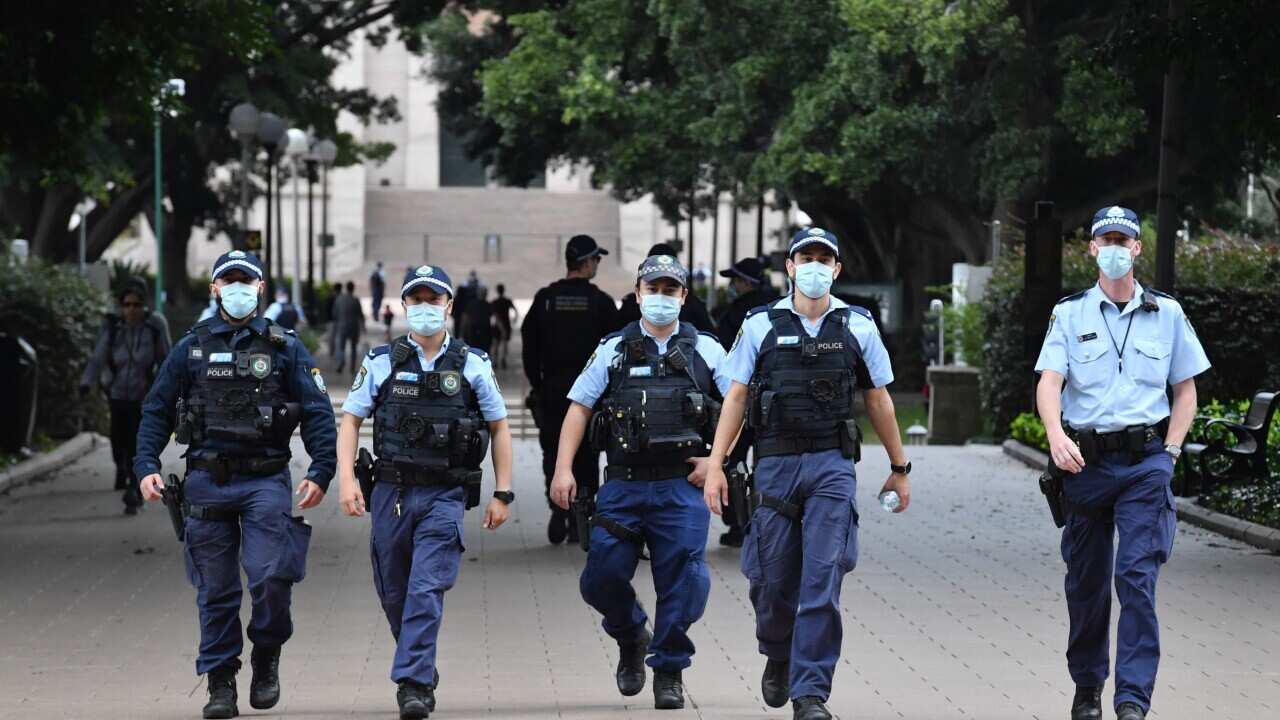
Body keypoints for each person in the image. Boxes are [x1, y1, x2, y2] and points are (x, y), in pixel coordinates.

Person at [702, 228, 912, 720]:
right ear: (791, 267)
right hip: (774, 464)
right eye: (806, 257)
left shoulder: (857, 325)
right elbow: (734, 397)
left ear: (836, 269)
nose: (815, 266)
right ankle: (778, 651)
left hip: (832, 464)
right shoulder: (760, 324)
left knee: (822, 577)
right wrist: (715, 465)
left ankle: (810, 691)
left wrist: (899, 468)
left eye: (825, 258)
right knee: (770, 579)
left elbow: (878, 397)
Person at [134, 250, 336, 719]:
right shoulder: (191, 348)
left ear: (261, 288)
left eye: (247, 280)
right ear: (215, 288)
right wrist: (145, 464)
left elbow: (319, 412)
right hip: (206, 481)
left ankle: (266, 653)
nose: (239, 287)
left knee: (270, 577)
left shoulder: (284, 346)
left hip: (265, 480)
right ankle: (220, 682)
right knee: (216, 591)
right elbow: (156, 410)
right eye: (230, 280)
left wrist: (322, 470)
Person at [1034, 206, 1211, 720]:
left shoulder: (1167, 313)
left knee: (1137, 579)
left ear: (1137, 248)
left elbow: (1186, 391)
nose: (1114, 248)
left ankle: (1132, 700)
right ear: (1091, 248)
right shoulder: (1069, 313)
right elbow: (1049, 381)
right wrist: (1053, 434)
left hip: (1145, 464)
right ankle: (1088, 685)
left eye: (1123, 240)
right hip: (1084, 466)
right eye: (1104, 239)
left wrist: (1172, 452)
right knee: (1086, 585)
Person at [550, 254, 730, 710]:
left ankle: (668, 667)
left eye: (671, 291)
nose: (661, 298)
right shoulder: (613, 347)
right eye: (654, 290)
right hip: (624, 485)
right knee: (599, 579)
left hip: (681, 486)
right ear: (637, 294)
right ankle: (632, 634)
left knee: (685, 581)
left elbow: (737, 406)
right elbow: (579, 408)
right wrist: (563, 467)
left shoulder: (706, 349)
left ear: (684, 297)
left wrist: (717, 460)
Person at [337, 264, 514, 720]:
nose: (425, 309)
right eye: (416, 300)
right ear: (403, 306)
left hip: (444, 495)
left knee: (425, 589)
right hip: (390, 492)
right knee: (394, 591)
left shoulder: (472, 362)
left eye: (434, 300)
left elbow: (498, 426)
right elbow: (351, 420)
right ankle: (420, 664)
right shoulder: (381, 360)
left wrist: (504, 492)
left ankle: (413, 684)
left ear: (449, 306)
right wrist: (346, 479)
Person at [522, 234, 620, 544]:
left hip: (553, 391)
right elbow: (615, 350)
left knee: (553, 450)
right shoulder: (601, 303)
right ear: (588, 262)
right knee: (588, 454)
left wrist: (539, 385)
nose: (598, 266)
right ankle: (581, 513)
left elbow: (529, 348)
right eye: (597, 260)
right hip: (591, 394)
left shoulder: (545, 299)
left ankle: (558, 509)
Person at [79, 277, 171, 515]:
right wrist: (87, 382)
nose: (131, 310)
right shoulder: (113, 325)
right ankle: (121, 467)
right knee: (117, 438)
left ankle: (133, 487)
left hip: (143, 394)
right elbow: (99, 356)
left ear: (144, 305)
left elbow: (166, 360)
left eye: (136, 305)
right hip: (117, 391)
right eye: (127, 305)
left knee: (134, 440)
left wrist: (168, 389)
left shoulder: (154, 325)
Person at [711, 257, 779, 546]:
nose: (732, 287)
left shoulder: (735, 312)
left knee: (733, 462)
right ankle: (768, 523)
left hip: (739, 399)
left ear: (745, 283)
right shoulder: (779, 309)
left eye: (735, 280)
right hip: (772, 401)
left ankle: (738, 524)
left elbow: (721, 355)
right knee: (768, 463)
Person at [618, 244, 716, 333]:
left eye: (669, 290)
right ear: (638, 294)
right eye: (652, 289)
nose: (660, 296)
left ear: (683, 296)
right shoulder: (694, 304)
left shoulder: (694, 306)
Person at [333, 281, 364, 374]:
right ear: (353, 288)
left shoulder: (339, 299)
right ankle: (352, 368)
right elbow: (360, 315)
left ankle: (341, 362)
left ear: (346, 288)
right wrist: (363, 327)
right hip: (354, 327)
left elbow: (334, 313)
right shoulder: (355, 300)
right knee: (353, 348)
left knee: (341, 347)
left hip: (342, 326)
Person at [489, 283, 517, 369]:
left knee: (496, 344)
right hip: (506, 324)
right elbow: (515, 310)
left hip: (497, 326)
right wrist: (514, 319)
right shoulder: (507, 301)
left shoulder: (494, 302)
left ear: (497, 291)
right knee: (505, 343)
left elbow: (492, 315)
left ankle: (495, 361)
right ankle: (503, 359)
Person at [462, 284, 493, 352]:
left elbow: (465, 319)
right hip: (484, 332)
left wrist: (463, 332)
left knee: (473, 351)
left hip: (474, 331)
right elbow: (492, 319)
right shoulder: (488, 305)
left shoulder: (471, 304)